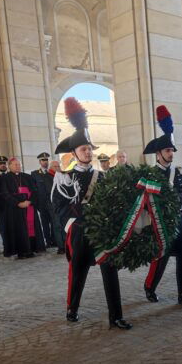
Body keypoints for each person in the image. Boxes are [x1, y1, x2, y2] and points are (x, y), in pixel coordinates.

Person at [51, 97, 130, 329]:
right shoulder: (65, 178)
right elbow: (59, 207)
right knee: (78, 272)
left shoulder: (103, 176)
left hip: (102, 232)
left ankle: (115, 316)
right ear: (74, 153)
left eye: (89, 149)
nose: (87, 152)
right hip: (79, 232)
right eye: (83, 149)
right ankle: (72, 308)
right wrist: (73, 226)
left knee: (110, 271)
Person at [143, 105, 182, 307]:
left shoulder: (178, 172)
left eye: (172, 150)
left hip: (179, 219)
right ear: (158, 153)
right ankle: (150, 287)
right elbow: (146, 200)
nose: (171, 153)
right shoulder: (150, 174)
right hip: (160, 222)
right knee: (161, 257)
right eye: (168, 150)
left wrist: (176, 198)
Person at [1, 158, 46, 259]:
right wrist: (18, 203)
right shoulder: (5, 178)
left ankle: (31, 249)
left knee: (31, 228)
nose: (18, 166)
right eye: (15, 165)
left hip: (29, 207)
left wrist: (30, 201)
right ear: (9, 166)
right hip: (15, 210)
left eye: (19, 164)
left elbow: (35, 191)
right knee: (19, 230)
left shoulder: (27, 177)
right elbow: (5, 194)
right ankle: (21, 251)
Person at [31, 152, 58, 249]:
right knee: (45, 222)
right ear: (39, 162)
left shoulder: (52, 172)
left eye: (46, 160)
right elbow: (33, 189)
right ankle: (48, 241)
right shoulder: (35, 174)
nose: (45, 162)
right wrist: (36, 203)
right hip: (41, 203)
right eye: (43, 160)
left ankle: (55, 240)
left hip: (52, 202)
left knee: (54, 222)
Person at [48, 159, 66, 254]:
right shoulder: (47, 177)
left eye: (58, 166)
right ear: (51, 167)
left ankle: (66, 244)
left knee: (64, 225)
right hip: (53, 206)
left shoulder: (62, 175)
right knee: (57, 226)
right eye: (55, 166)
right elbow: (48, 193)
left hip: (63, 205)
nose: (58, 168)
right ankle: (61, 246)